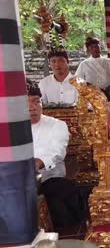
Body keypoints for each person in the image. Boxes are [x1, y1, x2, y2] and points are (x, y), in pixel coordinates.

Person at [27, 80, 85, 229]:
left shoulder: (57, 125)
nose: (32, 107)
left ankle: (68, 238)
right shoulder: (9, 129)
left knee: (63, 195)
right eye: (25, 103)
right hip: (17, 182)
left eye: (36, 101)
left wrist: (39, 162)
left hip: (48, 179)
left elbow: (57, 151)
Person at [75, 37, 110, 101]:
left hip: (108, 95)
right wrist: (86, 85)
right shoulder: (84, 64)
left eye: (97, 47)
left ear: (100, 48)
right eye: (92, 47)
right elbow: (78, 80)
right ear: (88, 50)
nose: (95, 49)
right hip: (90, 97)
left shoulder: (109, 62)